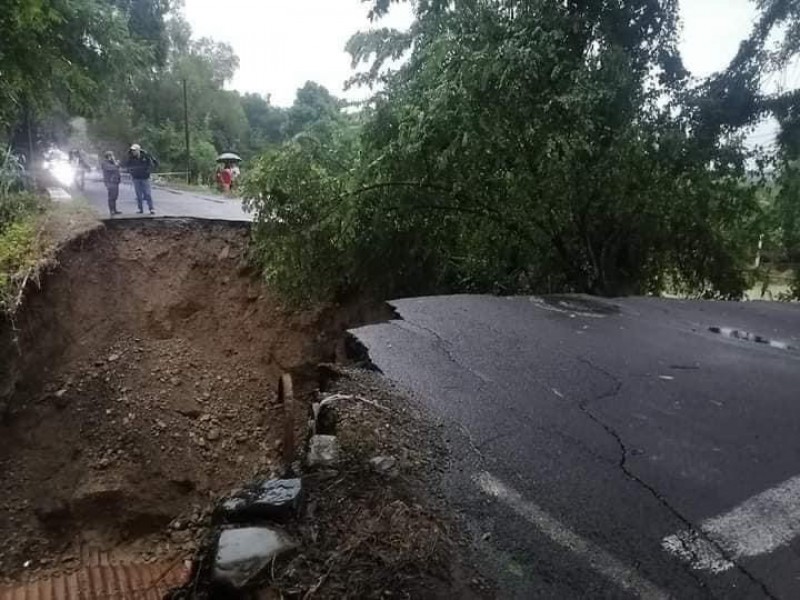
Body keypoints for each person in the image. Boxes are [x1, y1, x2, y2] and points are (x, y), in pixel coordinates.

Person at [123, 143, 158, 214]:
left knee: (147, 194)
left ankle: (151, 208)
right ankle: (140, 209)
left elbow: (153, 164)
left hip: (145, 178)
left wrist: (149, 171)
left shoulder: (146, 156)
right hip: (136, 178)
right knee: (138, 195)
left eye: (134, 150)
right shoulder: (131, 158)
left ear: (138, 150)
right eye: (132, 151)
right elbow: (127, 166)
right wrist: (131, 172)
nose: (133, 152)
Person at [101, 151, 122, 216]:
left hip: (115, 181)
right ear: (109, 156)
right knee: (111, 197)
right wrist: (116, 164)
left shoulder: (112, 162)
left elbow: (117, 168)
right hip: (110, 182)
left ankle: (114, 210)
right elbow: (112, 168)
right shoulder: (105, 163)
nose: (113, 157)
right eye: (112, 156)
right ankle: (112, 210)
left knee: (115, 196)